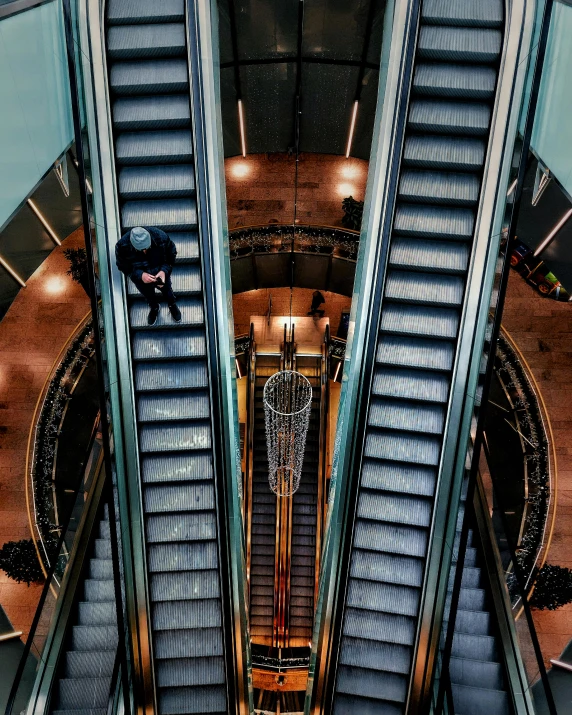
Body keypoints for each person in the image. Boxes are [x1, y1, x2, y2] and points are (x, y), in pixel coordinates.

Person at [115, 226, 181, 326]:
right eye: (140, 250)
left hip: (160, 274)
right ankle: (154, 307)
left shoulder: (161, 237)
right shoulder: (122, 246)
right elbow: (123, 266)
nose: (144, 251)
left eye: (147, 248)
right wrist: (140, 275)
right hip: (141, 280)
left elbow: (171, 255)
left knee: (167, 290)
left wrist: (164, 271)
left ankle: (172, 304)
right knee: (148, 295)